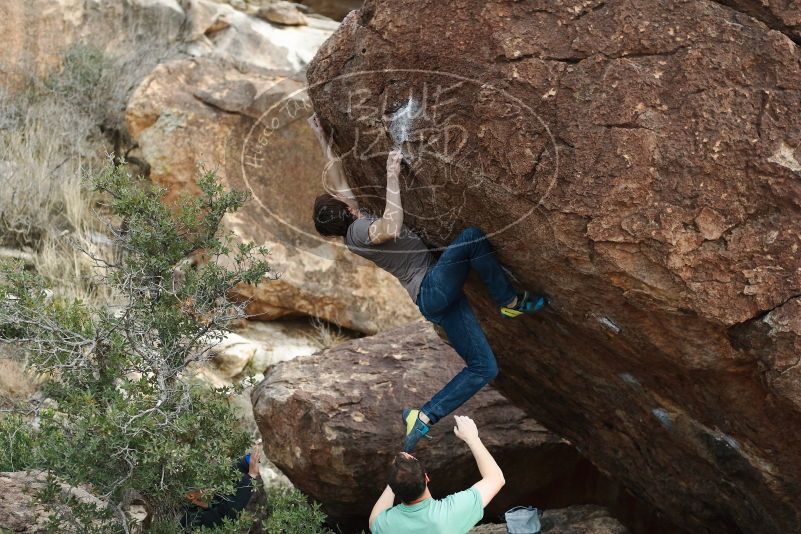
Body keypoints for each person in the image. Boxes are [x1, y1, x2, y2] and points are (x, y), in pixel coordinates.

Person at [309, 114, 548, 452]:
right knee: (471, 238)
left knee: (484, 367)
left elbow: (337, 177)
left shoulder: (351, 227)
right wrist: (392, 177)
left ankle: (424, 416)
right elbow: (390, 227)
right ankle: (508, 301)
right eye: (343, 200)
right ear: (346, 211)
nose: (346, 196)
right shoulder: (360, 231)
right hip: (432, 288)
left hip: (435, 301)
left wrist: (322, 137)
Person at [368, 415, 505, 533]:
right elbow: (496, 478)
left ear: (393, 487)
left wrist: (397, 475)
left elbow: (374, 519)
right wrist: (472, 438)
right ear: (426, 478)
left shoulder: (384, 525)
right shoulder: (449, 514)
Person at [181, 446, 261, 529]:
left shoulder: (196, 510)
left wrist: (245, 466)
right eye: (203, 489)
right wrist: (251, 476)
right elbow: (227, 515)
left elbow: (220, 500)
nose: (209, 490)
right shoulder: (193, 520)